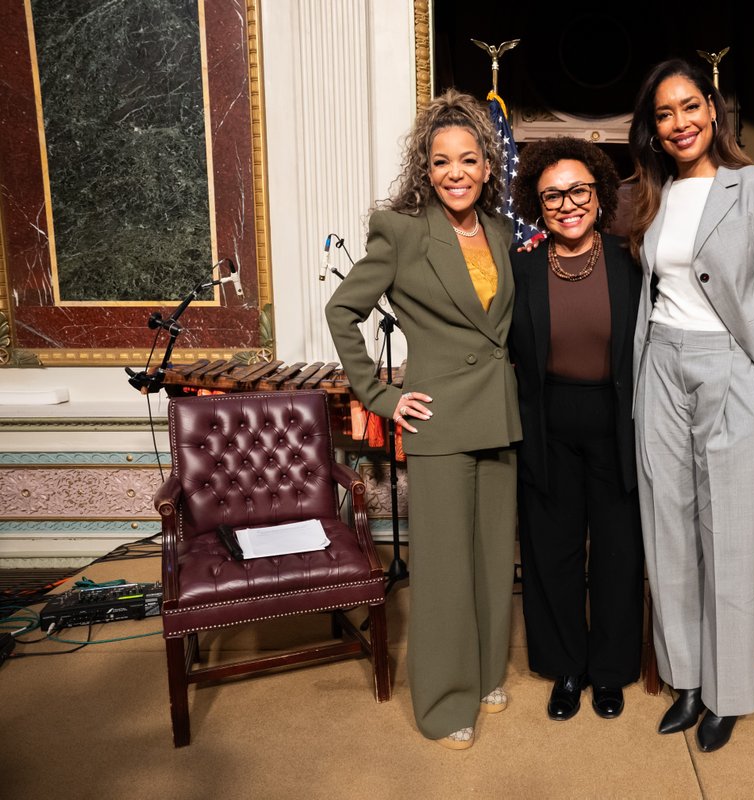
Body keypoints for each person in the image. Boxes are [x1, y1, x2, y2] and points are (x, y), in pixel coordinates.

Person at [325, 89, 521, 751]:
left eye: (469, 160)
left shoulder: (497, 231)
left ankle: (487, 671)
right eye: (442, 162)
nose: (457, 172)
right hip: (440, 422)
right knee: (442, 569)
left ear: (489, 167)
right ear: (426, 169)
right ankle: (442, 702)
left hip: (499, 415)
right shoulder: (401, 232)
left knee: (494, 559)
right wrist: (380, 396)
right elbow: (342, 313)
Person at [627, 58, 754, 752]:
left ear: (713, 108)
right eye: (665, 114)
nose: (680, 123)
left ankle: (729, 694)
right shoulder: (649, 195)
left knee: (729, 534)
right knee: (667, 528)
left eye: (690, 106)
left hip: (733, 365)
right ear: (654, 127)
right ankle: (689, 682)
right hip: (662, 366)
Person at [508, 138, 644, 722]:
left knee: (618, 551)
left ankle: (610, 671)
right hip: (546, 427)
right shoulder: (521, 268)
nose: (567, 204)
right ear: (538, 205)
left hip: (620, 425)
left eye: (578, 191)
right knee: (551, 552)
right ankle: (566, 668)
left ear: (599, 193)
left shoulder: (632, 260)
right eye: (552, 196)